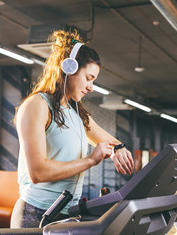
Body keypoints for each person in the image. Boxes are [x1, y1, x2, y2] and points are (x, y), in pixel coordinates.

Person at [10, 30, 134, 228]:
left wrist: (119, 150)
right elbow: (38, 172)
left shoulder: (77, 113)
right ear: (69, 69)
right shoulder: (37, 106)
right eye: (89, 78)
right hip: (35, 213)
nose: (91, 87)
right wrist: (90, 160)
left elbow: (110, 142)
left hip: (68, 212)